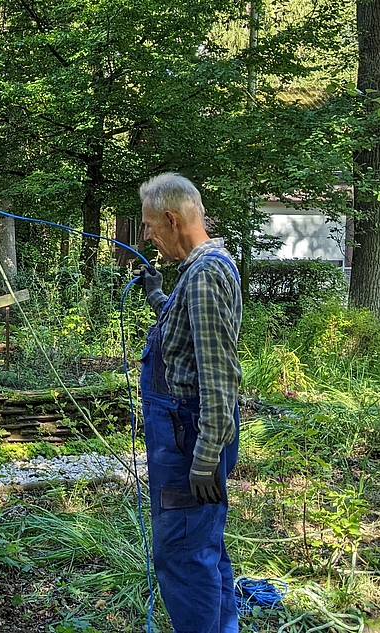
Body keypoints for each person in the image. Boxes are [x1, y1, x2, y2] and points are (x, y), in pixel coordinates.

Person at [135, 173, 242, 633]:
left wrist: (204, 459)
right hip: (191, 432)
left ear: (171, 219)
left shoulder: (203, 276)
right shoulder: (206, 267)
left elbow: (220, 379)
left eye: (149, 226)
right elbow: (185, 335)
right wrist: (158, 294)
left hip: (189, 436)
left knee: (182, 554)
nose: (147, 236)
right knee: (204, 547)